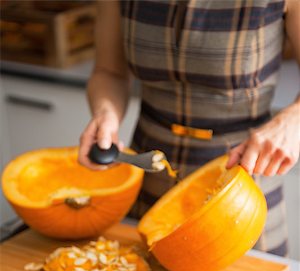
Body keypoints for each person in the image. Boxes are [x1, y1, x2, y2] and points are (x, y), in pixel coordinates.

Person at [79, 0, 300, 257]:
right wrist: (106, 113)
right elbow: (109, 72)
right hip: (146, 177)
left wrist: (293, 119)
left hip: (241, 190)